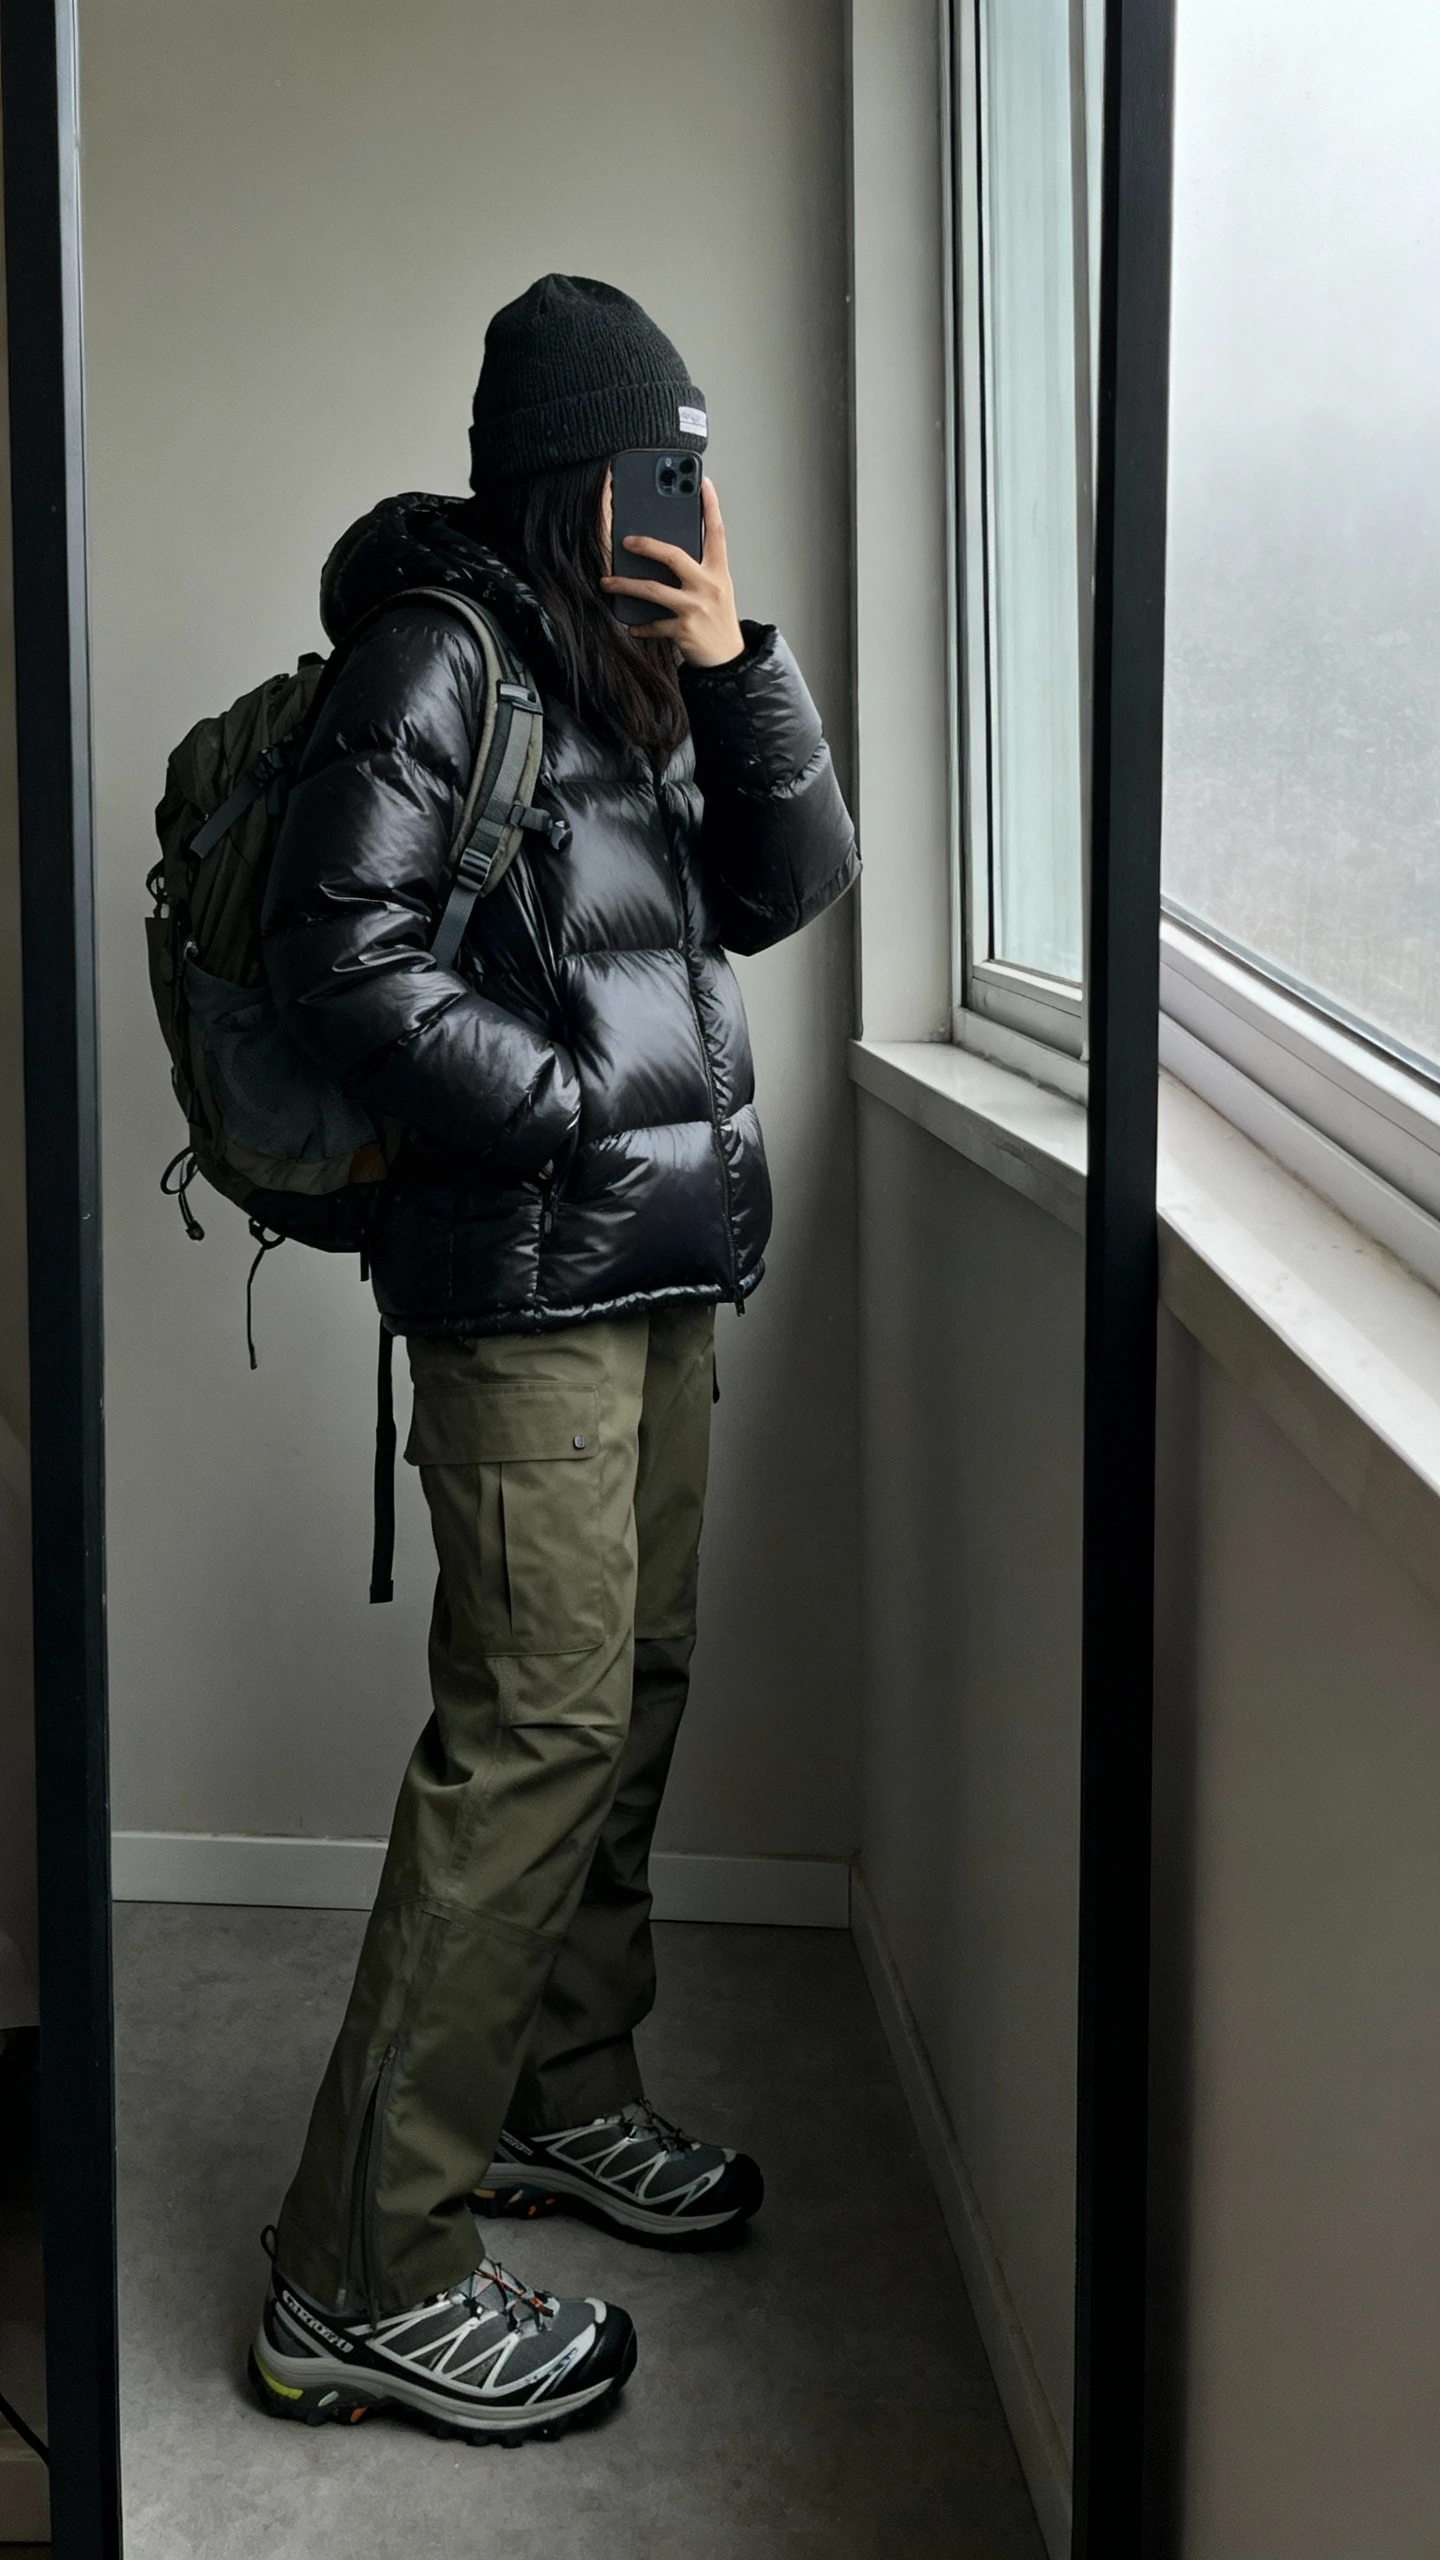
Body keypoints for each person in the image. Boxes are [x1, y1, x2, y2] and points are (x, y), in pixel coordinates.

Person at [248, 273, 858, 2444]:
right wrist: (573, 1093)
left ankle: (560, 2091)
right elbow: (340, 954)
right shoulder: (444, 650)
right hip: (522, 1293)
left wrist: (744, 666)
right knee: (530, 1738)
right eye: (664, 468)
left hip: (661, 1280)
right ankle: (358, 2264)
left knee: (629, 1702)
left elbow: (790, 889)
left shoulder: (632, 674)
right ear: (572, 478)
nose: (695, 501)